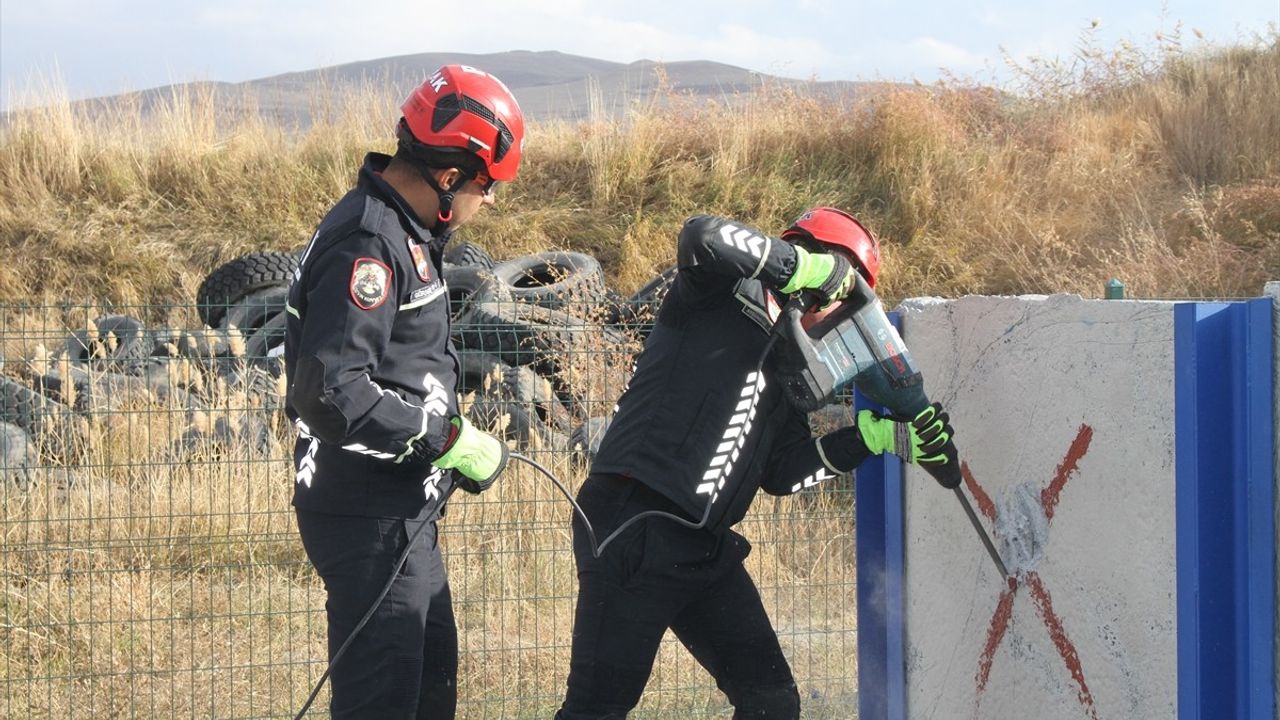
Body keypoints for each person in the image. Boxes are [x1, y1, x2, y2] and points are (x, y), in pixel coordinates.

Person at [556, 208, 958, 719]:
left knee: (771, 702)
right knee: (596, 709)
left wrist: (872, 438)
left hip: (702, 547)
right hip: (632, 526)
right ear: (820, 267)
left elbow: (784, 475)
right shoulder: (716, 293)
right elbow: (701, 235)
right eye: (841, 296)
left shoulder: (793, 364)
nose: (840, 316)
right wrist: (809, 269)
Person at [284, 64, 522, 719]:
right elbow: (331, 393)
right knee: (385, 704)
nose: (492, 200)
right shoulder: (369, 241)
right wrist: (446, 440)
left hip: (402, 513)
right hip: (367, 518)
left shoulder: (407, 230)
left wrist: (442, 451)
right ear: (450, 178)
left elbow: (396, 368)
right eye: (488, 185)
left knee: (428, 693)